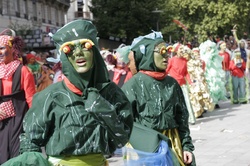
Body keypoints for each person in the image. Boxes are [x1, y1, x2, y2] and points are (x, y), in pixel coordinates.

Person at [2, 20, 133, 166]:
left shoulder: (112, 94)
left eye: (85, 46)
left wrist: (101, 108)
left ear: (94, 51)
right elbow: (30, 140)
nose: (78, 53)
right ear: (64, 56)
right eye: (69, 49)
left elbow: (122, 138)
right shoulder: (50, 97)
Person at [122, 31, 196, 166]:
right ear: (148, 54)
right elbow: (125, 123)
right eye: (161, 52)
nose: (166, 57)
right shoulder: (132, 86)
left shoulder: (172, 84)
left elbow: (182, 117)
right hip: (145, 149)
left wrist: (186, 146)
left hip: (173, 144)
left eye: (166, 52)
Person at [0, 29, 36, 164]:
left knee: (16, 157)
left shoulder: (23, 71)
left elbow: (31, 98)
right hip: (1, 121)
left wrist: (33, 123)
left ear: (12, 49)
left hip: (18, 120)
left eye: (2, 48)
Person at [166, 42, 196, 125]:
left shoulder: (184, 60)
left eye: (183, 49)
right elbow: (166, 71)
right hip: (174, 84)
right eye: (180, 49)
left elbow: (186, 73)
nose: (182, 51)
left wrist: (190, 82)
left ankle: (191, 119)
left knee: (187, 101)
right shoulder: (172, 60)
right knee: (174, 102)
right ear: (176, 51)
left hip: (183, 84)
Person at [199, 39, 227, 108]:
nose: (209, 49)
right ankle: (211, 102)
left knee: (216, 87)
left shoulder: (215, 56)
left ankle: (216, 101)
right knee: (210, 88)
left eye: (210, 48)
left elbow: (218, 64)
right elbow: (205, 63)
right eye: (208, 48)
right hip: (208, 74)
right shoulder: (204, 56)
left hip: (214, 73)